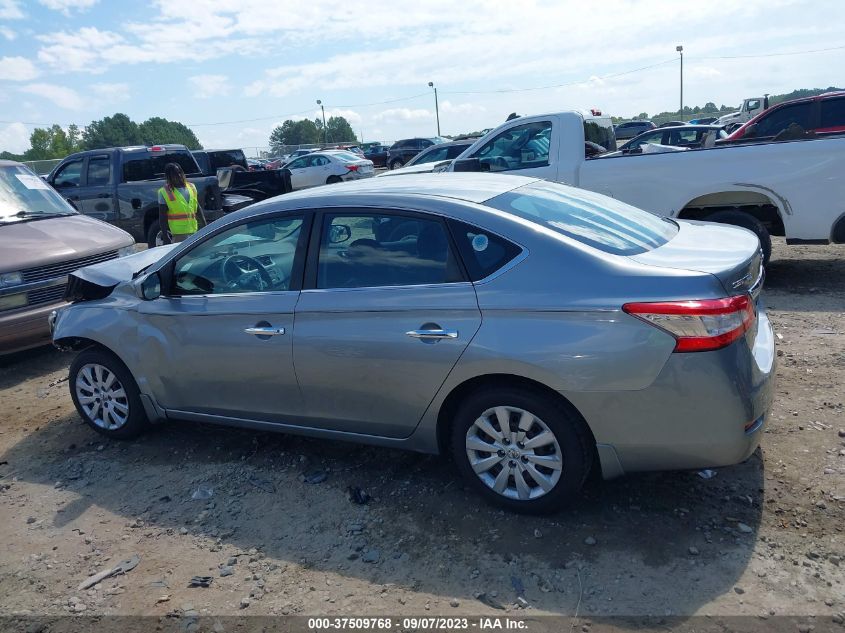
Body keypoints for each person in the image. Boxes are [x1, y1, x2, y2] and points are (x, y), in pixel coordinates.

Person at [157, 163, 206, 244]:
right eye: (174, 174)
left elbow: (197, 208)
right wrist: (165, 235)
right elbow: (162, 217)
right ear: (169, 177)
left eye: (179, 172)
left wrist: (204, 225)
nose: (178, 175)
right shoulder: (164, 192)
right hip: (179, 234)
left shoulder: (192, 187)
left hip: (194, 230)